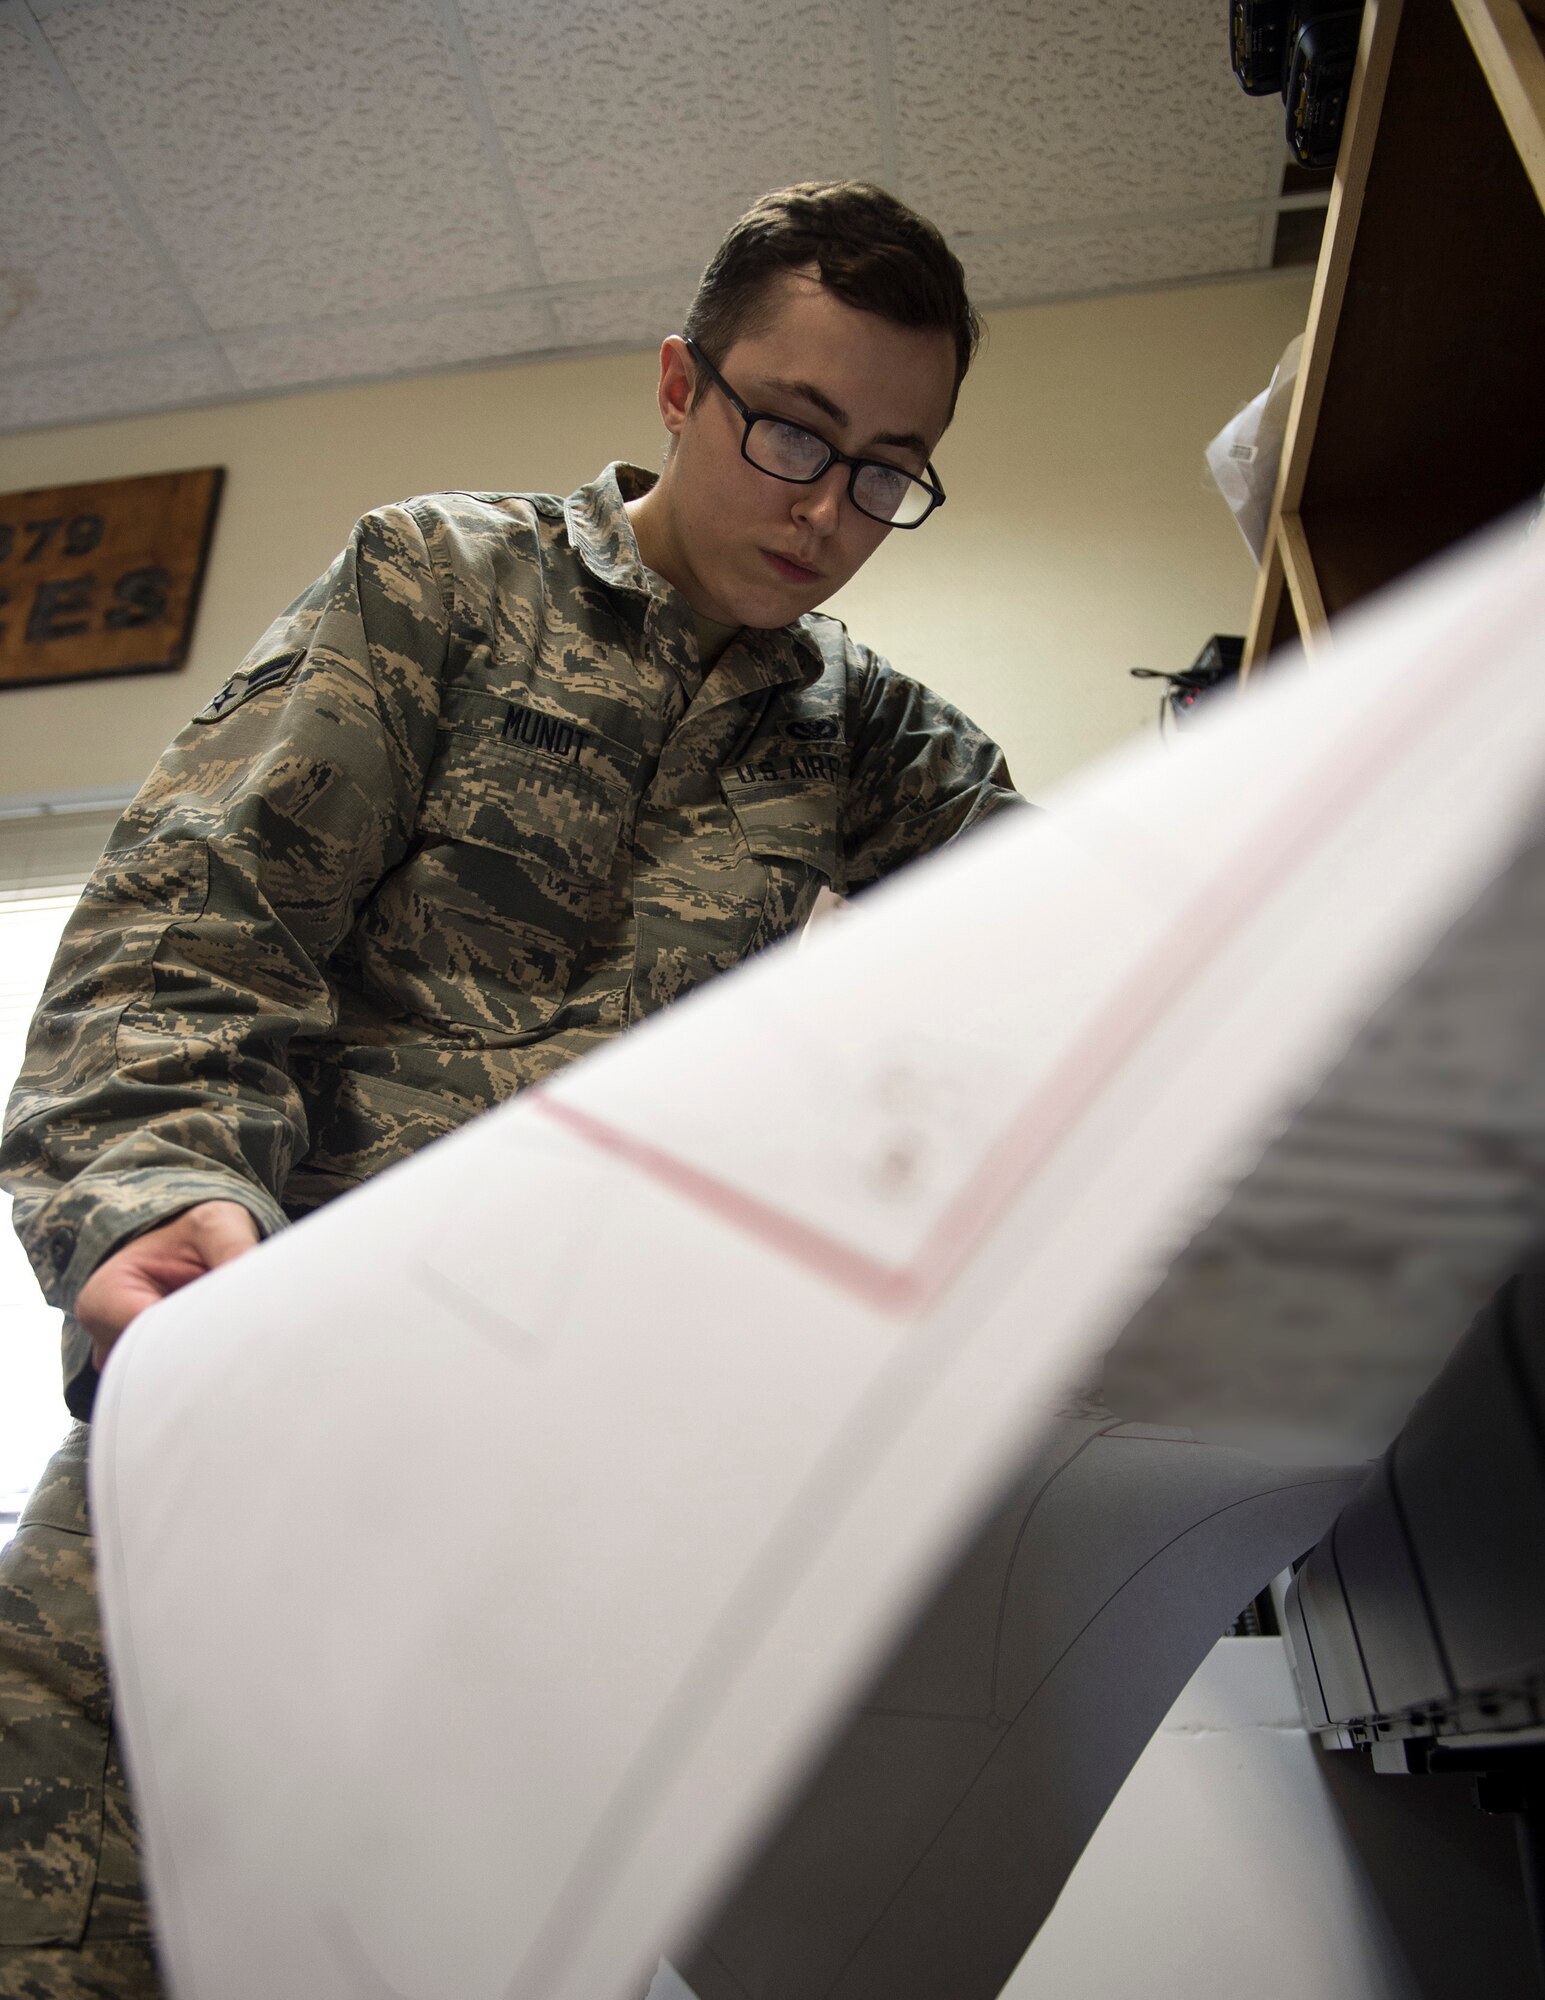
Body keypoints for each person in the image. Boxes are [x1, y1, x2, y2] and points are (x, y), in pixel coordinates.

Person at [0, 180, 1022, 1995]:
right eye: (791, 429)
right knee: (73, 1937)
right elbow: (188, 935)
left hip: (553, 1499)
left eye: (886, 467)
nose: (825, 507)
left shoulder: (867, 736)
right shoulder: (440, 585)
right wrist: (152, 1194)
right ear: (676, 386)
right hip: (258, 1397)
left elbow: (1099, 926)